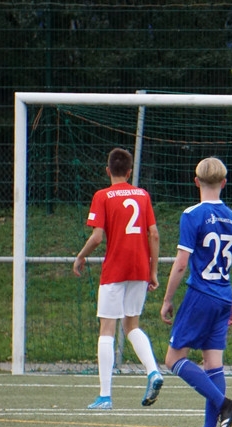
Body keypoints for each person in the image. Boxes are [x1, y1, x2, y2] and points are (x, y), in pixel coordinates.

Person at [161, 157, 232, 427]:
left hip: (200, 295)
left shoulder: (192, 214)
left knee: (173, 359)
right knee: (213, 364)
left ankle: (225, 404)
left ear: (196, 181)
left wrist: (167, 299)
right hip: (223, 297)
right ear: (224, 183)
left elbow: (181, 263)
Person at [74, 147, 164, 410]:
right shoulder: (143, 195)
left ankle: (105, 396)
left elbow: (97, 237)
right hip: (140, 268)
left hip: (115, 268)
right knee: (132, 325)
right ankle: (153, 371)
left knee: (107, 328)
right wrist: (153, 271)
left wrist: (80, 256)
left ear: (107, 171)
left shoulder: (102, 196)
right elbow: (154, 234)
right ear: (129, 171)